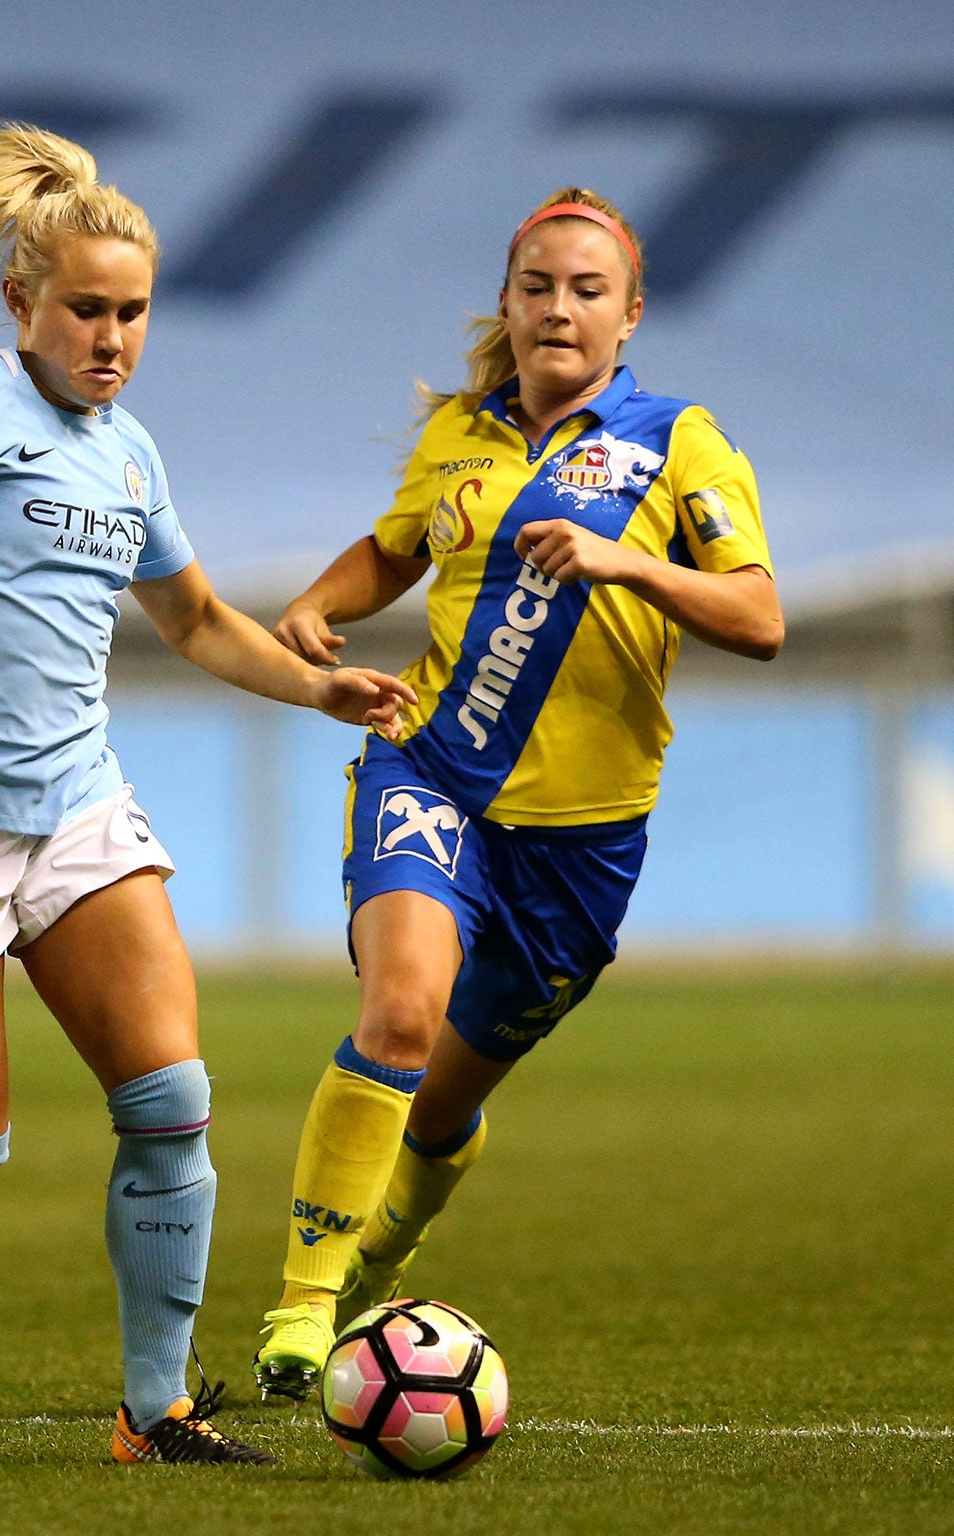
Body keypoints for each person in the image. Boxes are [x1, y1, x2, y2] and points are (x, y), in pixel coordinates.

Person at [0, 124, 416, 1466]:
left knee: (172, 1099)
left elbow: (192, 620)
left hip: (75, 807)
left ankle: (154, 1409)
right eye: (85, 310)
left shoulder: (130, 454)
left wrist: (316, 687)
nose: (110, 338)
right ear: (23, 305)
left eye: (132, 314)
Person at [250, 188, 784, 1403]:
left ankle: (380, 1247)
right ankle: (300, 1309)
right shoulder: (457, 433)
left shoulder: (678, 444)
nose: (557, 307)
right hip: (428, 768)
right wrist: (320, 605)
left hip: (579, 848)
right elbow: (397, 543)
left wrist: (625, 562)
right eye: (536, 285)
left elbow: (758, 616)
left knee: (436, 1107)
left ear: (628, 314)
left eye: (585, 290)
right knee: (396, 1014)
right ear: (505, 302)